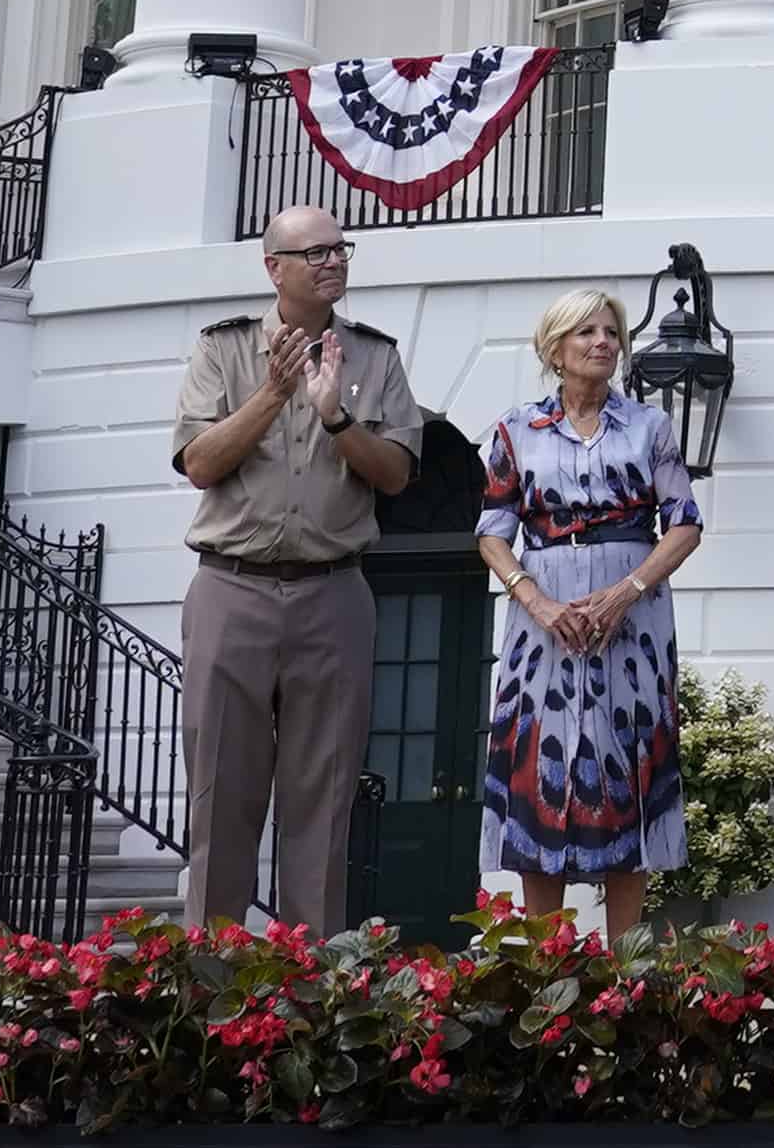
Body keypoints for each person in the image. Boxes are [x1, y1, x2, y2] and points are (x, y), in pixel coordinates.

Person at [166, 205, 422, 927]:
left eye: (342, 248)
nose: (333, 261)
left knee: (323, 797)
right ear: (273, 267)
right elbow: (199, 463)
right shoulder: (223, 350)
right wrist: (273, 395)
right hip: (230, 587)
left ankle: (311, 993)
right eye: (315, 252)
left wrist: (337, 416)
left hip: (333, 593)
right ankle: (210, 984)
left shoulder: (374, 356)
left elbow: (398, 474)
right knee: (221, 791)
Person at [479, 281, 703, 944]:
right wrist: (537, 600)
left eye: (611, 332)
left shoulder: (650, 426)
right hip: (540, 619)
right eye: (588, 332)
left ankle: (625, 966)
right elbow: (492, 530)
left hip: (632, 619)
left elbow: (684, 523)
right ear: (555, 348)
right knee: (536, 773)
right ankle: (547, 966)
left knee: (627, 772)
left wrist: (625, 591)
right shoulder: (515, 429)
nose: (603, 342)